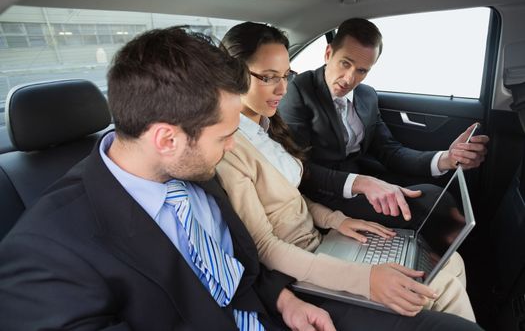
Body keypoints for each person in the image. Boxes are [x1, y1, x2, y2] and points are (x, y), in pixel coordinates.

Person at [0, 27, 337, 331]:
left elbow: (235, 263)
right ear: (166, 139)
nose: (232, 146)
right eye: (223, 137)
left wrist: (284, 302)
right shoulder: (46, 258)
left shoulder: (190, 169)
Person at [217, 21, 477, 323]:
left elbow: (292, 195)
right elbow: (266, 246)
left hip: (321, 238)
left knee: (451, 263)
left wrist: (339, 221)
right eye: (268, 77)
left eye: (286, 75)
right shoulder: (230, 146)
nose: (282, 89)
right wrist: (366, 277)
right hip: (301, 265)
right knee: (441, 284)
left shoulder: (265, 126)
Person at [278, 18, 490, 227]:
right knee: (429, 200)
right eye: (345, 63)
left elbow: (389, 151)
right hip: (324, 188)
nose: (349, 79)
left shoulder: (367, 96)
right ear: (328, 54)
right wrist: (361, 183)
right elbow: (298, 166)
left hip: (364, 171)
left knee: (443, 185)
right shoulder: (298, 91)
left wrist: (447, 158)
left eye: (362, 70)